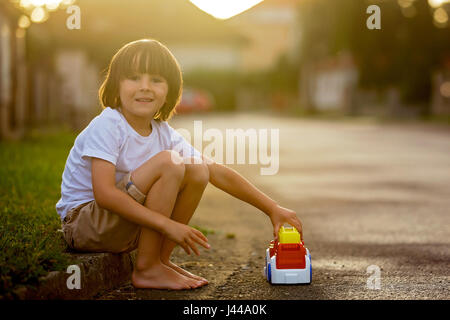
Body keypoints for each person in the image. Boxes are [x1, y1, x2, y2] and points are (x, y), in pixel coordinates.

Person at [56, 39, 303, 290]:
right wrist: (168, 225)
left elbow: (216, 172)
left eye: (156, 80)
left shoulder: (162, 132)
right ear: (116, 85)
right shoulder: (108, 124)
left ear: (169, 91)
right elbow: (105, 195)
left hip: (118, 224)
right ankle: (148, 268)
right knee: (169, 162)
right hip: (85, 224)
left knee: (198, 169)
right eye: (133, 78)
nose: (145, 87)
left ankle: (158, 261)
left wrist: (271, 208)